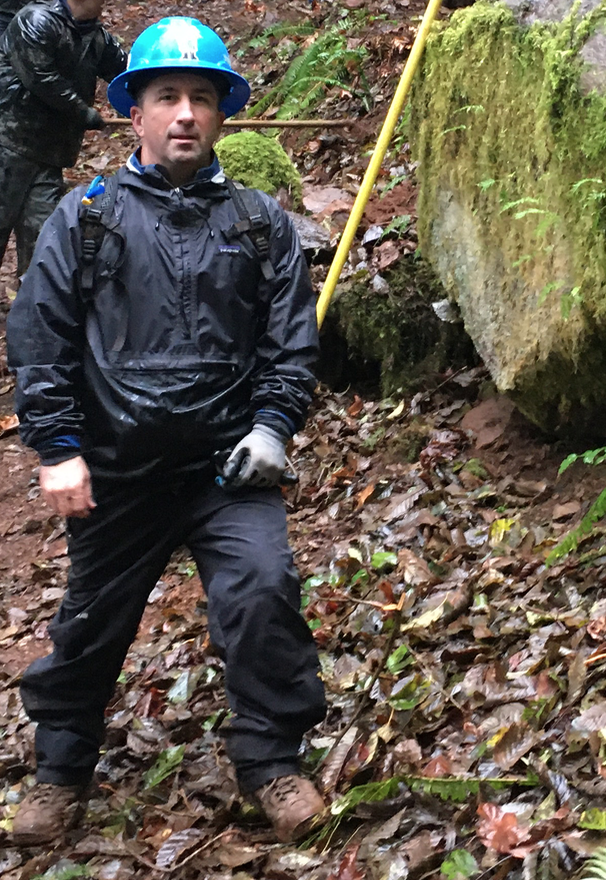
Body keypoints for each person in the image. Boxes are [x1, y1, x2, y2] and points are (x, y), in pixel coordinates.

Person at [7, 15, 327, 846]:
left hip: (229, 472)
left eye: (200, 97)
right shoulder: (83, 219)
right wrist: (59, 448)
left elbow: (292, 342)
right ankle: (60, 773)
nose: (184, 112)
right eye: (166, 96)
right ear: (134, 112)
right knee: (87, 626)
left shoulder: (261, 224)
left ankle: (271, 763)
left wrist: (273, 425)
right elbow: (39, 339)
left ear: (222, 114)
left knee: (263, 594)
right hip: (116, 472)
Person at [0, 0, 126, 278]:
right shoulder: (35, 21)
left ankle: (33, 309)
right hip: (7, 147)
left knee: (43, 241)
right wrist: (84, 113)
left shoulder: (97, 38)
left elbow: (125, 72)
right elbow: (41, 78)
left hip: (49, 156)